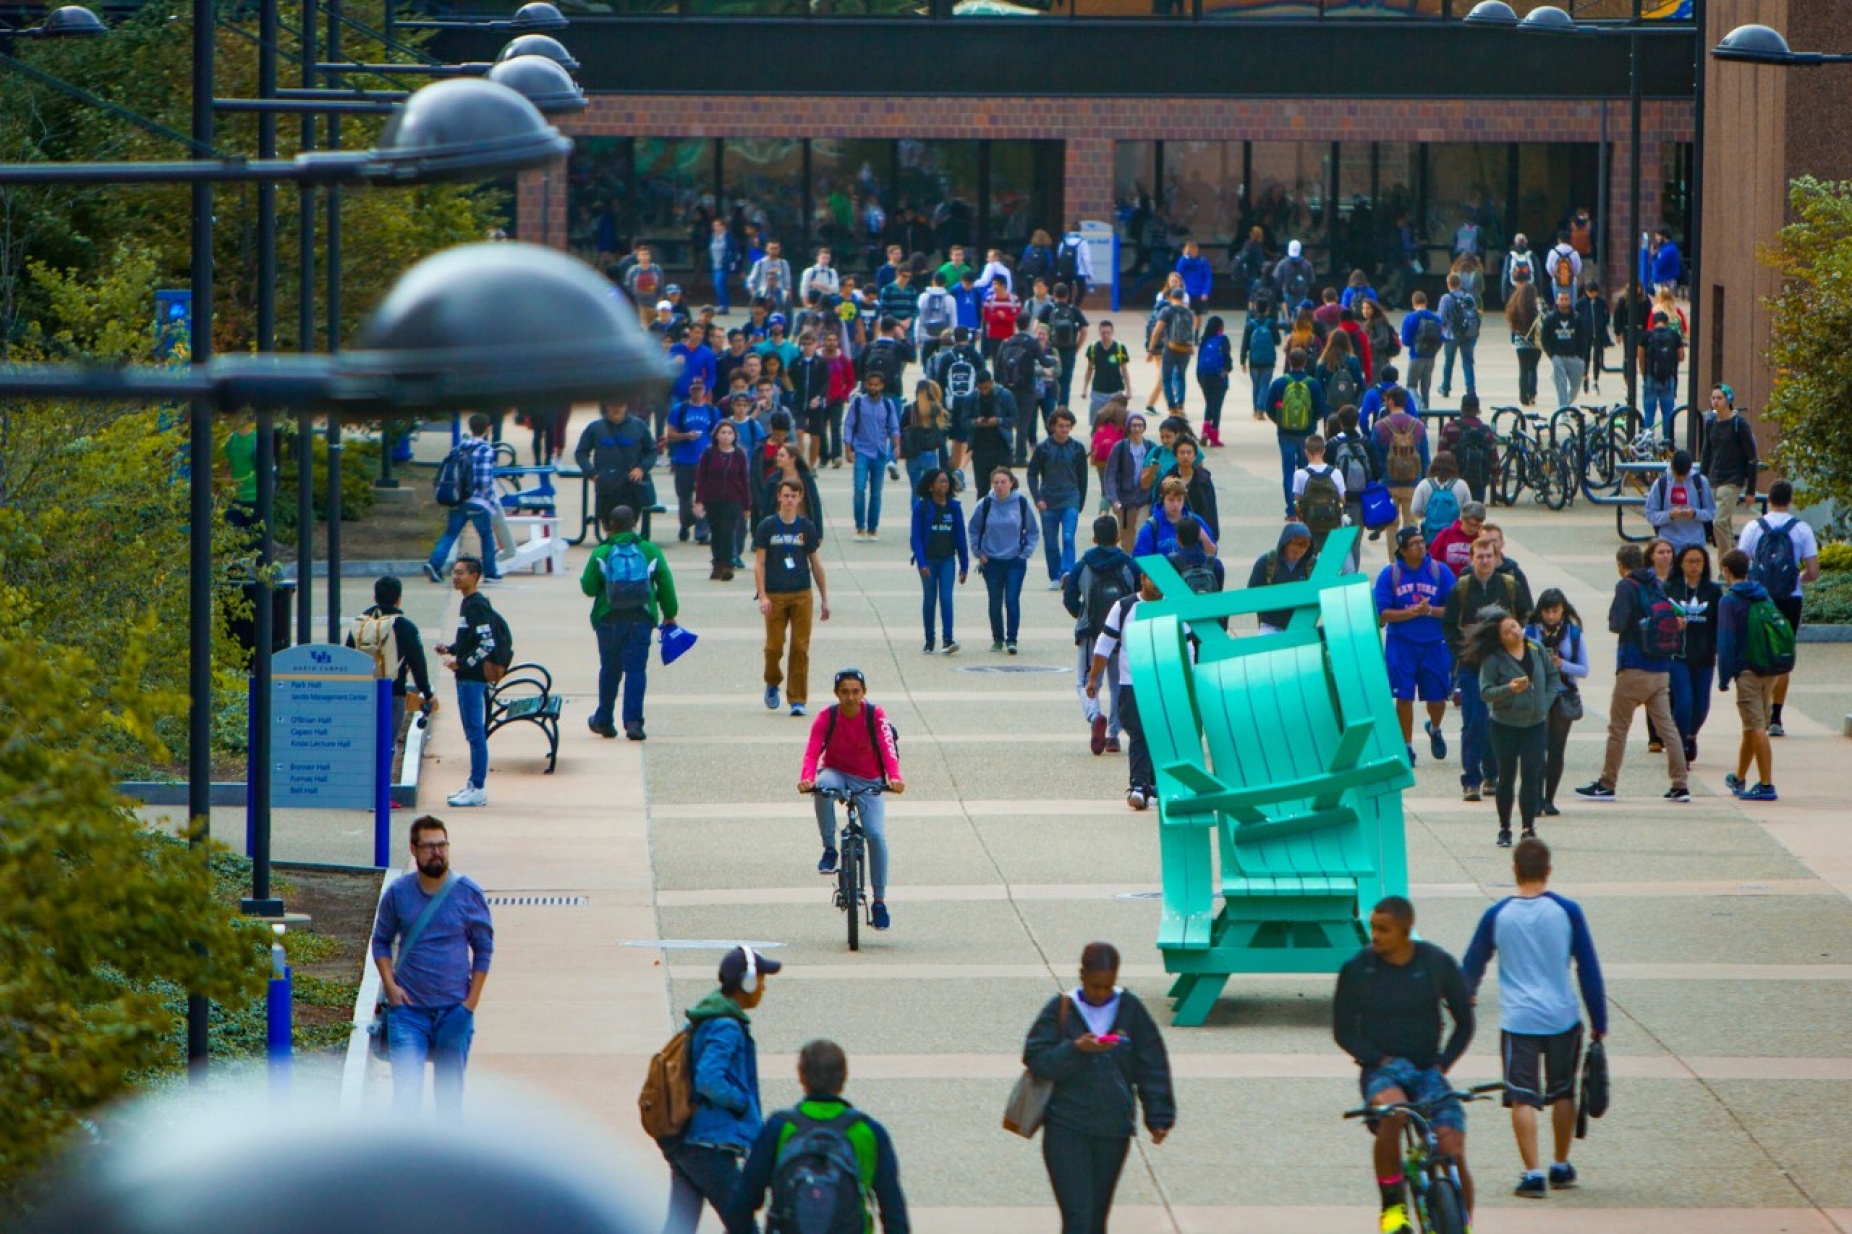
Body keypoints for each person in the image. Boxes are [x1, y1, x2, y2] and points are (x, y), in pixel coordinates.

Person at [1461, 837, 1608, 1199]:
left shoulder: (1498, 914)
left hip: (1518, 1020)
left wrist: (1465, 996)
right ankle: (1560, 1165)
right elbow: (1589, 967)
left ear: (1515, 870)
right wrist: (1598, 1019)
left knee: (1522, 1097)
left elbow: (1472, 964)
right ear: (1548, 870)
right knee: (1563, 1092)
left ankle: (1532, 1173)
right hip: (1563, 1016)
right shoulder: (1568, 911)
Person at [1333, 896, 1476, 1234]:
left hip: (1428, 1069)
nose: (1375, 936)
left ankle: (1463, 1222)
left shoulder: (1437, 963)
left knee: (1452, 1148)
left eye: (1384, 929)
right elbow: (1343, 1032)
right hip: (1383, 1069)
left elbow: (1465, 1023)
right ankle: (1393, 1206)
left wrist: (1444, 1064)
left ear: (1406, 930)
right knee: (1393, 1112)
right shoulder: (1357, 970)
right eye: (1373, 928)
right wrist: (1376, 1058)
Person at [1023, 941, 1175, 1234]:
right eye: (1094, 986)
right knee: (1077, 1219)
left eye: (1107, 987)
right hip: (1066, 1127)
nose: (1100, 994)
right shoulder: (1062, 1008)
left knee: (1096, 1219)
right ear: (1082, 975)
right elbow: (1036, 1059)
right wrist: (1075, 1049)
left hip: (1112, 1130)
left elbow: (1151, 1064)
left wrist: (1159, 1116)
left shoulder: (1131, 1010)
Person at [370, 814, 494, 1117]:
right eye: (429, 846)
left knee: (450, 1099)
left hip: (455, 1012)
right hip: (408, 1014)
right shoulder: (398, 894)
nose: (437, 852)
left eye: (442, 845)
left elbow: (483, 948)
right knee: (407, 1097)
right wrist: (390, 986)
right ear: (414, 850)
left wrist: (470, 1002)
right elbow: (381, 941)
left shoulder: (468, 894)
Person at [727, 1040, 910, 1234]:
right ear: (844, 1076)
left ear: (801, 1076)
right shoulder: (869, 1131)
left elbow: (743, 1205)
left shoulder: (779, 1127)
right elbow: (894, 1213)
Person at [659, 945, 780, 1234]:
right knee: (743, 1225)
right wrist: (741, 1103)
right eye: (761, 979)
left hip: (688, 1143)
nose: (763, 987)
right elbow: (708, 1078)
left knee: (679, 1226)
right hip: (709, 1145)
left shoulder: (708, 1018)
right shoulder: (726, 1026)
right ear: (746, 982)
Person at [1576, 543, 1690, 803]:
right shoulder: (1655, 584)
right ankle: (1680, 784)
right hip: (1660, 669)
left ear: (1620, 564)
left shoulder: (1626, 586)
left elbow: (1617, 623)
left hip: (1633, 667)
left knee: (1619, 729)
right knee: (1668, 729)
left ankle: (1607, 783)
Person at [801, 668, 906, 929]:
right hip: (836, 772)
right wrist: (806, 778)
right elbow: (812, 751)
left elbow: (887, 747)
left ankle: (879, 901)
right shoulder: (827, 716)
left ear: (864, 693)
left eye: (856, 692)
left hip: (869, 779)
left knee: (876, 835)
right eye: (845, 692)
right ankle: (830, 848)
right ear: (836, 694)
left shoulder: (875, 715)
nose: (850, 697)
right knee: (822, 788)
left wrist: (894, 777)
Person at [581, 506, 677, 742]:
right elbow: (665, 582)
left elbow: (588, 587)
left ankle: (604, 719)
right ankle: (634, 722)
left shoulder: (602, 552)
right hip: (640, 618)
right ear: (635, 523)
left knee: (609, 669)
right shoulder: (649, 550)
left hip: (608, 619)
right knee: (636, 670)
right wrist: (670, 613)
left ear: (609, 525)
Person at [1465, 606, 1560, 845]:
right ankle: (1504, 827)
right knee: (1506, 777)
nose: (1515, 633)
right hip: (1504, 725)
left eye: (1515, 626)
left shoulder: (1535, 648)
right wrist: (1509, 689)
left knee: (1531, 775)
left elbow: (1552, 677)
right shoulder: (1493, 660)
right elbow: (1486, 693)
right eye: (1508, 632)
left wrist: (1544, 704)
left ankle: (1528, 827)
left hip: (1535, 725)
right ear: (1499, 638)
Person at [1735, 480, 1820, 738]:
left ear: (1768, 499)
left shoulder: (1753, 527)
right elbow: (1814, 571)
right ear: (1790, 499)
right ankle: (1776, 716)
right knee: (1783, 653)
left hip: (1759, 598)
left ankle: (1758, 710)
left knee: (1759, 650)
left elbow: (1741, 563)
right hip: (1789, 598)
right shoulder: (1802, 529)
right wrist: (1797, 579)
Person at [1443, 537, 1524, 804]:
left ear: (1497, 555)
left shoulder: (1509, 586)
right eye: (1480, 556)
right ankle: (1471, 779)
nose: (1485, 561)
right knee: (1474, 722)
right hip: (1471, 668)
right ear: (1471, 558)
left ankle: (1493, 774)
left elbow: (1523, 617)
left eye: (1489, 555)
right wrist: (1462, 655)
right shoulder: (1462, 589)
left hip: (1502, 667)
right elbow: (1449, 627)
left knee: (1497, 721)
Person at [1375, 528, 1456, 767]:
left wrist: (1429, 611)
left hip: (1434, 643)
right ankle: (1407, 746)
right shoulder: (1390, 575)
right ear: (1402, 550)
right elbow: (1382, 613)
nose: (1421, 546)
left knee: (1438, 698)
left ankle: (1435, 727)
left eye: (1422, 542)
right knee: (1404, 697)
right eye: (1414, 544)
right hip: (1402, 644)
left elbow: (1454, 609)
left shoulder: (1440, 571)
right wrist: (1409, 612)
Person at [434, 556, 510, 808]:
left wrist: (462, 662)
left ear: (475, 575)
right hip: (466, 677)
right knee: (472, 732)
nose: (455, 577)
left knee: (476, 733)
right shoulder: (468, 604)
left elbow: (486, 644)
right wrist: (451, 649)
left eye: (461, 573)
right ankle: (473, 783)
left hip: (472, 679)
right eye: (454, 573)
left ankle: (478, 787)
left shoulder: (476, 605)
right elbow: (471, 639)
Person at [755, 479, 831, 718]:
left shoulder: (806, 528)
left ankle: (797, 698)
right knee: (774, 647)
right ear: (779, 497)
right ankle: (772, 680)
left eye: (794, 496)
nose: (789, 500)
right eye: (786, 495)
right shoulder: (767, 526)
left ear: (799, 499)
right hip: (775, 594)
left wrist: (824, 598)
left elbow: (815, 563)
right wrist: (763, 596)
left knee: (800, 647)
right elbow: (759, 563)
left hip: (801, 593)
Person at [1090, 570, 1163, 809]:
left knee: (1159, 733)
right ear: (1142, 578)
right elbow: (1104, 644)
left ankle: (1153, 783)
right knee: (1139, 733)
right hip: (1131, 683)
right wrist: (1093, 679)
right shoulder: (1124, 607)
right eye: (1153, 578)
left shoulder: (1173, 607)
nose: (1158, 585)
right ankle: (1139, 785)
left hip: (1164, 682)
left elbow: (1188, 646)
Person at [1066, 514, 1138, 756]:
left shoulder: (1082, 566)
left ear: (1094, 538)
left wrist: (1082, 614)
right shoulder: (1128, 565)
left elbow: (1069, 599)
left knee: (1085, 680)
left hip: (1090, 631)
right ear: (1118, 537)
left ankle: (1095, 714)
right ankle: (1114, 734)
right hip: (1121, 631)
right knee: (1118, 683)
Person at [1716, 549, 1782, 801]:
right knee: (1752, 725)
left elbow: (1725, 641)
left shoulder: (1729, 601)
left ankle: (1766, 785)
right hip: (1769, 670)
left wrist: (1723, 677)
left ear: (1726, 571)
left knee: (1756, 727)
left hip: (1747, 671)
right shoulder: (1763, 595)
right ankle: (1739, 776)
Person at [1524, 590, 1589, 817]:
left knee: (1556, 749)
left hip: (1563, 695)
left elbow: (1584, 669)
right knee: (1537, 748)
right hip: (1538, 695)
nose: (1551, 616)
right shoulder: (1529, 632)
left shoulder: (1573, 633)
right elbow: (1520, 662)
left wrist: (1562, 664)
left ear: (1563, 610)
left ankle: (1549, 798)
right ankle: (1536, 798)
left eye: (1555, 611)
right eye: (1547, 611)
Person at [425, 414, 503, 585]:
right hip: (477, 501)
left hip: (457, 499)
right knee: (486, 535)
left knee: (450, 533)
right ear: (488, 428)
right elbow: (484, 481)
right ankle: (490, 571)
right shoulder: (485, 450)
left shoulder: (459, 448)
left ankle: (434, 563)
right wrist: (491, 501)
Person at [970, 466, 1039, 654]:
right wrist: (978, 552)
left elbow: (1033, 531)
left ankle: (1012, 639)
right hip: (991, 561)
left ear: (1011, 483)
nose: (999, 486)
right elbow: (974, 529)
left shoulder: (1021, 503)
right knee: (994, 601)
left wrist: (1026, 553)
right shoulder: (985, 504)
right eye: (996, 482)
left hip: (1015, 561)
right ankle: (998, 638)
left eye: (1003, 482)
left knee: (1012, 600)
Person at [1666, 543, 1721, 763]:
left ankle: (1691, 735)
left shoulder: (1713, 591)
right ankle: (1678, 744)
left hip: (1704, 655)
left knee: (1701, 705)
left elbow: (1719, 623)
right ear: (1681, 563)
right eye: (1690, 561)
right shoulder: (1670, 589)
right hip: (1677, 655)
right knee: (1684, 701)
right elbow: (1657, 619)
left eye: (1699, 561)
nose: (1694, 565)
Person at [347, 575, 435, 709]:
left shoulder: (360, 624)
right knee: (390, 730)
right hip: (394, 693)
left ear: (375, 598)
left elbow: (347, 656)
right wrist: (427, 693)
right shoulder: (406, 627)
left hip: (362, 694)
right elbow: (418, 664)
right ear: (399, 600)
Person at [1029, 408, 1091, 589]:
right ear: (1053, 427)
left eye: (1067, 426)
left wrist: (1080, 501)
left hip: (1070, 498)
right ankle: (1055, 575)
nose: (1064, 430)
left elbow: (1083, 477)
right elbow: (1032, 474)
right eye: (1060, 426)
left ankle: (1067, 572)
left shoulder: (1077, 448)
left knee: (1068, 536)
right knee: (1050, 542)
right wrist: (1037, 498)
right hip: (1048, 501)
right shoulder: (1043, 449)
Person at [576, 402, 658, 537]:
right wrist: (592, 473)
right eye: (613, 405)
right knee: (610, 529)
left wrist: (641, 469)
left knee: (628, 529)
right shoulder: (595, 428)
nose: (616, 409)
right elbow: (581, 453)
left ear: (626, 406)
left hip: (631, 488)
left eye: (620, 405)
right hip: (606, 489)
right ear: (606, 407)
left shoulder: (639, 426)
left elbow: (652, 451)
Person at [909, 468, 968, 655]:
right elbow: (916, 537)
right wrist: (921, 562)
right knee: (929, 598)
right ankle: (929, 639)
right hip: (928, 560)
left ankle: (948, 638)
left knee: (946, 597)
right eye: (940, 481)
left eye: (946, 482)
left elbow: (960, 536)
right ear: (931, 485)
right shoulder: (922, 508)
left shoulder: (954, 507)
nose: (944, 485)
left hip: (947, 560)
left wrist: (964, 564)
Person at [1266, 347, 1328, 518]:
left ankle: (1291, 510)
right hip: (1307, 433)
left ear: (1289, 362)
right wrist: (1311, 422)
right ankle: (1304, 508)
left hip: (1285, 433)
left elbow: (1269, 408)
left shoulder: (1279, 383)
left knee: (1288, 472)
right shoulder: (1312, 383)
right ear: (1305, 362)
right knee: (1305, 470)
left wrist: (1280, 421)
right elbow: (1321, 408)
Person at [843, 371, 902, 541]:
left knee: (876, 493)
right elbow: (849, 426)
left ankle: (873, 528)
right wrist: (848, 449)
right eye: (870, 384)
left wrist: (897, 445)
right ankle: (860, 526)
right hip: (862, 452)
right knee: (859, 489)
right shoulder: (859, 403)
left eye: (877, 384)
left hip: (880, 453)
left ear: (882, 386)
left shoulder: (888, 404)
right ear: (866, 385)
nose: (873, 387)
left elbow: (894, 427)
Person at [1700, 383, 1759, 549]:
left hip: (1732, 479)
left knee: (1719, 522)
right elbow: (1706, 452)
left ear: (1728, 400)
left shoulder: (1739, 424)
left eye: (1719, 398)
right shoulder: (1710, 422)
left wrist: (1750, 489)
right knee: (1722, 525)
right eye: (1713, 398)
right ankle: (1733, 561)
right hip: (1713, 478)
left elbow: (1752, 456)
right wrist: (1702, 480)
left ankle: (1726, 563)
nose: (1716, 401)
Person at [692, 421, 752, 583]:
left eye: (729, 433)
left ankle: (727, 565)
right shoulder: (709, 454)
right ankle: (717, 564)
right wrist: (699, 501)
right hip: (713, 499)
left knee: (727, 531)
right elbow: (701, 479)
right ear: (717, 435)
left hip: (733, 500)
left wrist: (747, 506)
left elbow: (744, 481)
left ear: (734, 436)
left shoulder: (739, 454)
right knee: (716, 533)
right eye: (723, 432)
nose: (726, 436)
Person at [1247, 522, 1317, 634]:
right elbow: (1251, 594)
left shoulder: (1312, 565)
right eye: (1294, 552)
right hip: (1270, 625)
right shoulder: (1266, 562)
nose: (1297, 555)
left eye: (1302, 552)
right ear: (1285, 544)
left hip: (1303, 625)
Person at [1644, 450, 1715, 557]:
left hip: (1695, 543)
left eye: (1685, 475)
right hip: (1668, 545)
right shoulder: (1661, 484)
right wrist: (1669, 515)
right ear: (1672, 468)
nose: (1681, 479)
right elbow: (1650, 513)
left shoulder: (1700, 482)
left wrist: (1695, 513)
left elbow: (1711, 512)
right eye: (1678, 475)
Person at [1133, 476, 1216, 560]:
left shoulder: (1195, 522)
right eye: (1171, 500)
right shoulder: (1151, 527)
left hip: (1190, 571)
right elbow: (1139, 560)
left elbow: (1212, 554)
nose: (1175, 505)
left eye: (1179, 500)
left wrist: (1205, 538)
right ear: (1163, 500)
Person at [900, 379, 952, 509]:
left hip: (913, 454)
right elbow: (944, 432)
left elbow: (901, 429)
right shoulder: (936, 409)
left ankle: (917, 520)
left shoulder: (909, 410)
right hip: (930, 454)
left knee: (916, 491)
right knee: (931, 490)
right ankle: (929, 518)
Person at [1103, 411, 1150, 554]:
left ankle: (1140, 566)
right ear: (1128, 427)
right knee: (1127, 540)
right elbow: (1110, 475)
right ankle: (1131, 566)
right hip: (1125, 502)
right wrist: (1114, 500)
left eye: (1139, 425)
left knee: (1141, 535)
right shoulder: (1120, 448)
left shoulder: (1150, 447)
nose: (1136, 429)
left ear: (1144, 427)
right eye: (1133, 425)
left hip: (1145, 499)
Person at [1292, 434, 1346, 557]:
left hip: (1310, 524)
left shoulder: (1300, 474)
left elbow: (1297, 501)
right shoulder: (1335, 473)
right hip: (1331, 524)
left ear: (1306, 452)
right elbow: (1342, 499)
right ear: (1324, 451)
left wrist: (1300, 517)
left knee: (1310, 559)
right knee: (1331, 559)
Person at [1639, 311, 1685, 443]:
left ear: (1653, 322)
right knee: (1668, 413)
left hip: (1650, 378)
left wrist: (1645, 375)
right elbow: (1681, 356)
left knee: (1649, 413)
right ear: (1666, 322)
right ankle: (1667, 442)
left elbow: (1641, 359)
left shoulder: (1647, 336)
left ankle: (1647, 442)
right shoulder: (1674, 335)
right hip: (1668, 378)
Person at [1539, 291, 1588, 411]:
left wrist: (1580, 355)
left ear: (1570, 300)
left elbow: (1583, 337)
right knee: (1561, 385)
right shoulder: (1550, 319)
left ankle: (1564, 404)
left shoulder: (1576, 318)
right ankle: (1563, 413)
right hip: (1558, 356)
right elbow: (1544, 339)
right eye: (1561, 299)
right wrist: (1552, 355)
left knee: (1575, 387)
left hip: (1574, 357)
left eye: (1566, 299)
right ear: (1557, 301)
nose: (1564, 302)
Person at [1436, 272, 1480, 401]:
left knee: (1449, 362)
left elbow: (1441, 318)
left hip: (1451, 335)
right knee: (1467, 362)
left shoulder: (1446, 298)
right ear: (1460, 284)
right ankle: (1470, 389)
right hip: (1467, 335)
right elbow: (1475, 315)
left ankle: (1445, 388)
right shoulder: (1469, 297)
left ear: (1448, 284)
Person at [1240, 298, 1283, 422]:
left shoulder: (1250, 324)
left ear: (1255, 308)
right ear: (1267, 309)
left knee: (1256, 385)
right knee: (1265, 385)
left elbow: (1245, 344)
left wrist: (1242, 360)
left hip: (1254, 360)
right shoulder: (1271, 323)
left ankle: (1255, 409)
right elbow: (1277, 341)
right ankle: (1260, 410)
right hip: (1268, 360)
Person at [1400, 290, 1444, 409]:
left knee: (1411, 386)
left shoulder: (1410, 318)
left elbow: (1405, 340)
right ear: (1426, 302)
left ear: (1413, 303)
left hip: (1416, 356)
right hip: (1431, 357)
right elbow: (1441, 338)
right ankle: (1426, 417)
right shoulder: (1436, 318)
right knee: (1425, 388)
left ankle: (1420, 406)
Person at [1082, 319, 1130, 422]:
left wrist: (1128, 390)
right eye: (1103, 332)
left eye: (1108, 332)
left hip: (1115, 392)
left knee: (1116, 423)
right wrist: (1085, 388)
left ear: (1112, 333)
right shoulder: (1093, 348)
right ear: (1099, 333)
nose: (1106, 335)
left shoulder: (1119, 348)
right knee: (1096, 422)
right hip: (1098, 391)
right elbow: (1089, 369)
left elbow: (1124, 370)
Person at [1426, 497, 1487, 578]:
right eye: (1469, 524)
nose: (1472, 528)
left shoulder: (1482, 537)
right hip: (1447, 579)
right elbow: (1432, 557)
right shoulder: (1447, 533)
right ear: (1462, 519)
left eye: (1476, 525)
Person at [1507, 283, 1543, 408]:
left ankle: (1523, 398)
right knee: (1533, 369)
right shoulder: (1537, 307)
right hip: (1535, 343)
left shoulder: (1515, 307)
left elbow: (1512, 326)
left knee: (1523, 370)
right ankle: (1532, 395)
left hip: (1521, 343)